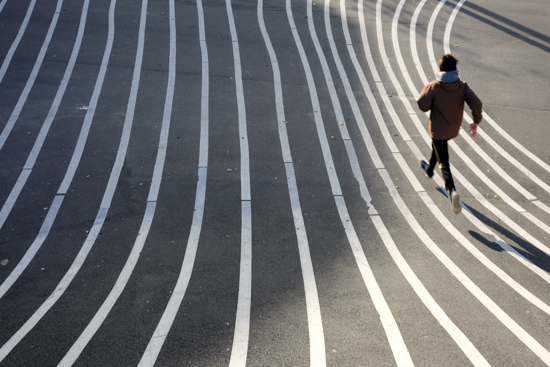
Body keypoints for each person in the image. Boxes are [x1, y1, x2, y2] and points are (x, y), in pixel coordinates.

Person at [417, 54, 482, 214]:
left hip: (438, 129)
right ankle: (429, 170)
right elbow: (477, 103)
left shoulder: (434, 87)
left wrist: (428, 91)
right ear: (456, 70)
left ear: (440, 69)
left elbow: (422, 105)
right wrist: (475, 121)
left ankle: (451, 190)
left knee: (444, 162)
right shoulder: (462, 86)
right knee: (438, 148)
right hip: (453, 128)